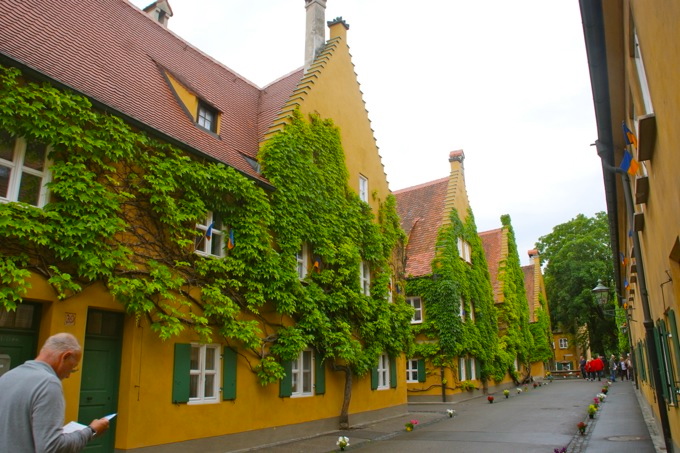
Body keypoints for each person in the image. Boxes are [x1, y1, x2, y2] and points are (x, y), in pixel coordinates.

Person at [0, 332, 110, 453]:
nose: (68, 375)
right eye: (72, 368)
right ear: (65, 356)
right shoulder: (48, 383)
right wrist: (91, 431)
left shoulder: (7, 376)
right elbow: (51, 447)